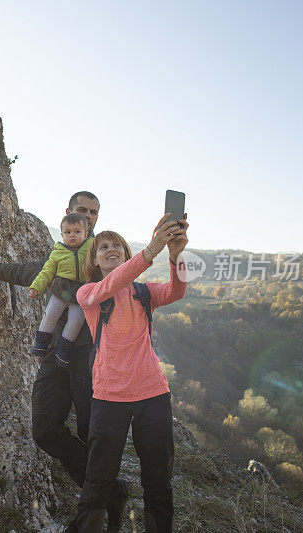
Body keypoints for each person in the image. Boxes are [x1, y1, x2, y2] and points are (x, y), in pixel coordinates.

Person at [0, 192, 130, 533]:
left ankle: (92, 516)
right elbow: (27, 272)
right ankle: (111, 492)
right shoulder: (58, 256)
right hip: (58, 355)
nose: (88, 217)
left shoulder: (103, 258)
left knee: (92, 435)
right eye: (81, 211)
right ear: (69, 214)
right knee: (44, 427)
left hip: (92, 358)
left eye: (93, 213)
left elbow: (128, 284)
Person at [75, 213, 189, 533]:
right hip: (109, 395)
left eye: (117, 246)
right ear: (95, 261)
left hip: (152, 393)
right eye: (103, 247)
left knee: (158, 479)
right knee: (98, 478)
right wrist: (151, 250)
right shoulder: (89, 293)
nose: (110, 249)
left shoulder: (143, 292)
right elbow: (112, 284)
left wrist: (176, 255)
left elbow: (176, 291)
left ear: (126, 253)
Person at [28, 212, 92, 368]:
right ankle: (42, 342)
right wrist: (37, 287)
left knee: (76, 320)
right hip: (60, 290)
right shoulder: (57, 253)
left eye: (77, 232)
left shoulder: (90, 248)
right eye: (68, 232)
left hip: (79, 293)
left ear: (85, 233)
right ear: (62, 234)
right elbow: (47, 272)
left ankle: (63, 348)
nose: (72, 235)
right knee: (51, 313)